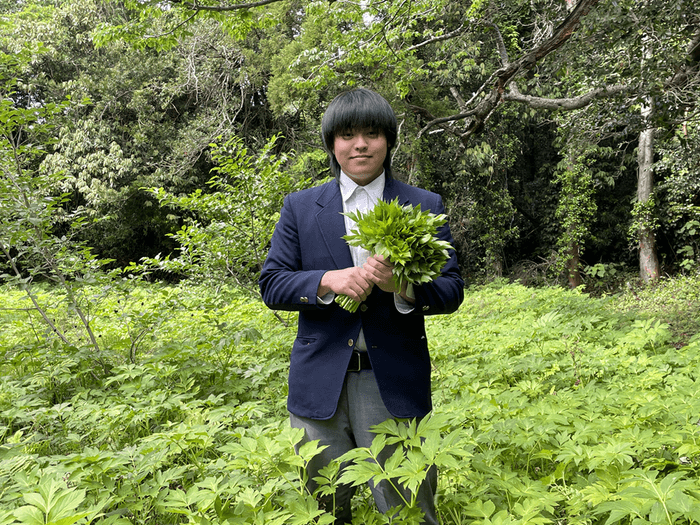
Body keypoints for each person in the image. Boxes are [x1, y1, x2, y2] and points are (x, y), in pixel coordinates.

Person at [259, 88, 464, 524]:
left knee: (408, 508)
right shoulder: (300, 207)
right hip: (320, 386)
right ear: (332, 144)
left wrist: (404, 286)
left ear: (388, 140)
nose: (360, 144)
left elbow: (451, 290)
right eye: (347, 135)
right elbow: (272, 283)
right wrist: (327, 280)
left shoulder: (424, 205)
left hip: (393, 382)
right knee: (324, 509)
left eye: (372, 133)